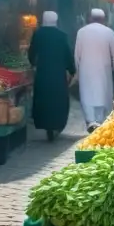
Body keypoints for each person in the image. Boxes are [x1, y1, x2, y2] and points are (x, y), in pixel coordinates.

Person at [28, 11, 75, 141]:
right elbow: (68, 54)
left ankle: (46, 126)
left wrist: (33, 64)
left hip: (43, 73)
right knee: (58, 100)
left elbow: (31, 52)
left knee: (44, 100)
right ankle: (57, 125)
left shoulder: (38, 34)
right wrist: (72, 70)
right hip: (57, 74)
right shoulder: (61, 36)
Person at [75, 8, 114, 129]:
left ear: (90, 18)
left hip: (86, 70)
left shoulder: (81, 32)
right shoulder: (109, 32)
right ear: (103, 19)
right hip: (104, 69)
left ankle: (90, 120)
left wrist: (78, 70)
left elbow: (77, 55)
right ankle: (99, 121)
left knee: (87, 94)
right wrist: (113, 68)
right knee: (102, 94)